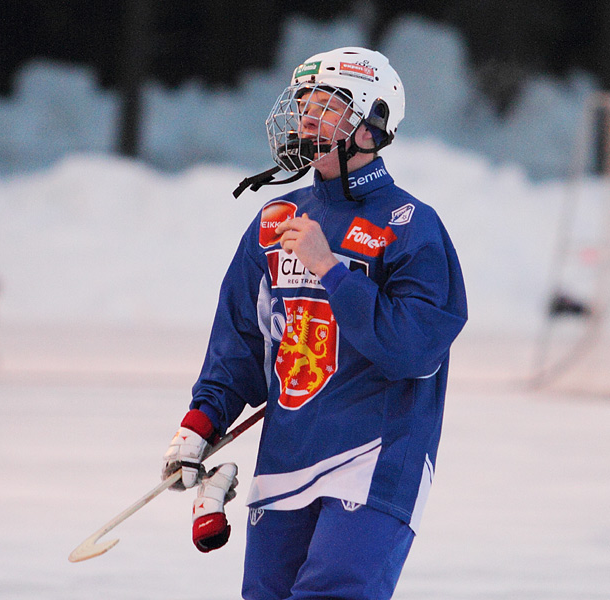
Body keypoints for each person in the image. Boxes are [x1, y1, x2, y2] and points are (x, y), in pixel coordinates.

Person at [161, 47, 468, 600]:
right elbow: (242, 343)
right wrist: (201, 421)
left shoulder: (412, 227)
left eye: (327, 105)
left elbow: (415, 350)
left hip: (373, 462)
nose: (306, 117)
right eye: (305, 102)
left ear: (371, 124)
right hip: (285, 463)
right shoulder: (274, 222)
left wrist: (331, 270)